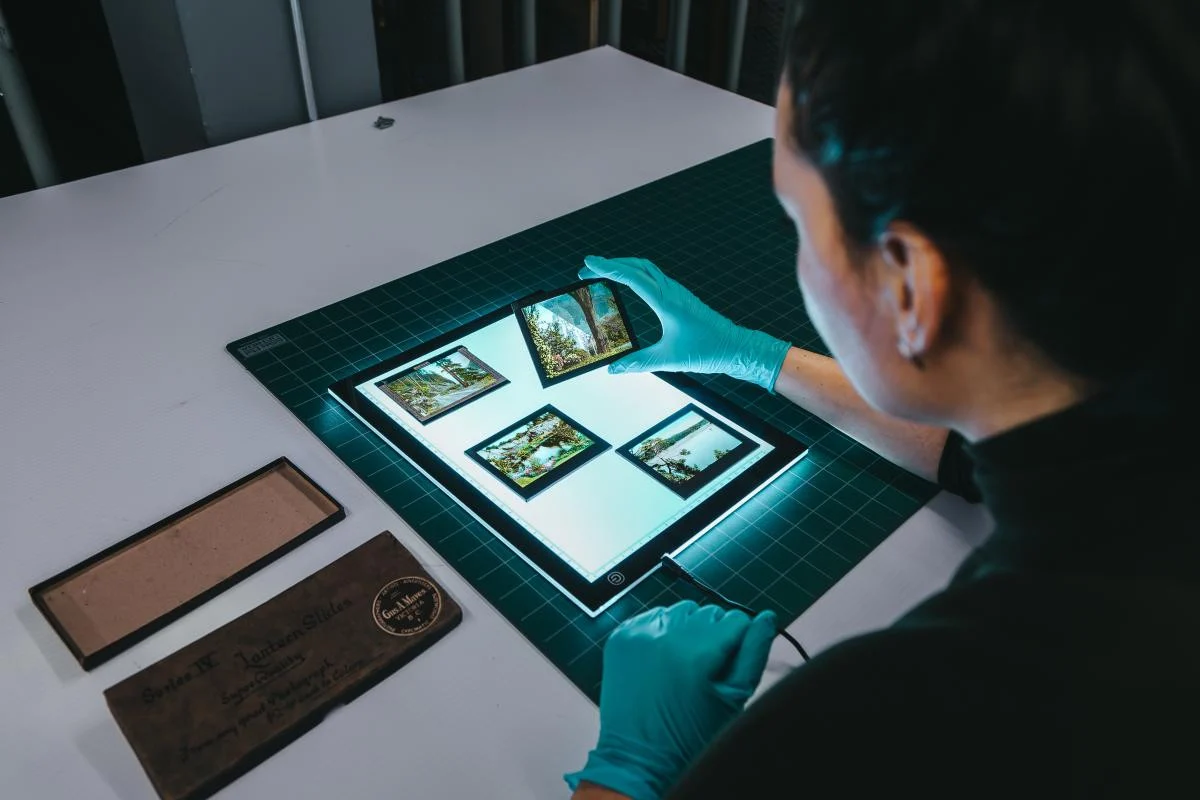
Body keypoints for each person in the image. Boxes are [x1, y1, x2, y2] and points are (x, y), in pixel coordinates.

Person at [565, 0, 1200, 797]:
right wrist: (754, 357)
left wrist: (630, 770)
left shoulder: (897, 719)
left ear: (910, 282)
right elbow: (971, 454)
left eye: (798, 221)